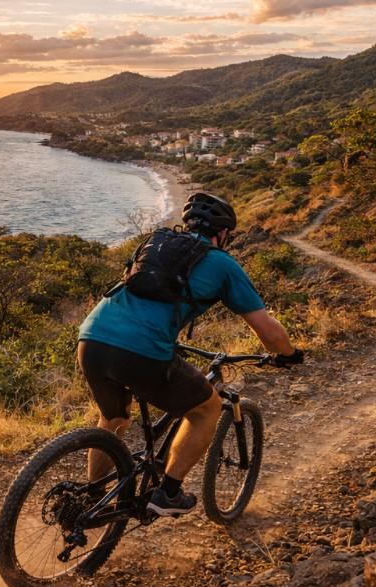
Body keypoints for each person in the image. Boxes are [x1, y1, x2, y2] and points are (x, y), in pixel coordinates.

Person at [77, 191, 303, 516]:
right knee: (206, 409)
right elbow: (267, 331)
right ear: (222, 233)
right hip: (142, 348)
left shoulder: (154, 245)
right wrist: (289, 354)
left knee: (114, 419)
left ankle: (90, 499)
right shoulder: (222, 263)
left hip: (92, 336)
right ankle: (168, 493)